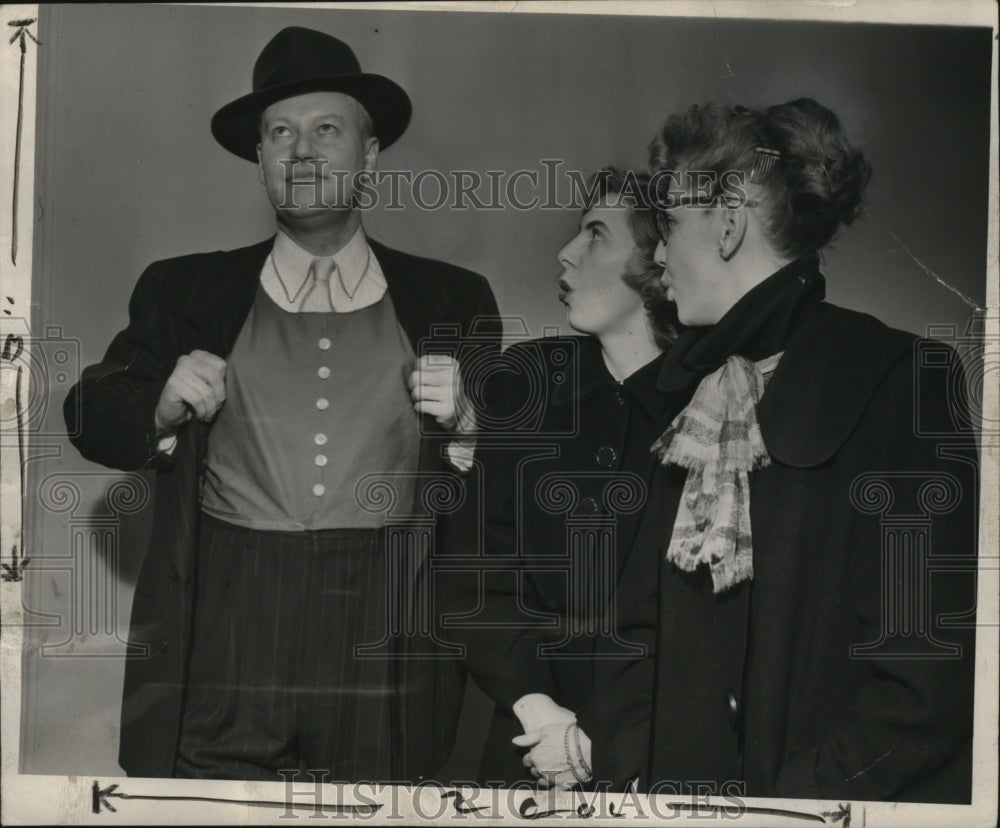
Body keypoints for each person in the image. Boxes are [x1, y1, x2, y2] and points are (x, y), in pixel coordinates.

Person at [63, 26, 499, 781]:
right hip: (227, 623)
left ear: (368, 156)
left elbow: (525, 477)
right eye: (280, 134)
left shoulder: (453, 299)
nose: (302, 151)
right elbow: (87, 411)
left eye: (327, 130)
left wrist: (470, 421)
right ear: (259, 161)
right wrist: (159, 406)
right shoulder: (184, 290)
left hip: (388, 627)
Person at [573, 98, 976, 802]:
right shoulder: (682, 391)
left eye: (668, 224)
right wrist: (629, 792)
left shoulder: (901, 379)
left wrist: (789, 807)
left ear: (726, 222)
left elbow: (926, 683)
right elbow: (633, 634)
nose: (658, 254)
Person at [442, 167, 681, 786]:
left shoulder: (720, 402)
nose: (566, 253)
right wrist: (539, 710)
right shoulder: (527, 381)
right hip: (532, 748)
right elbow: (473, 571)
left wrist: (614, 739)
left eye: (595, 235)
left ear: (659, 260)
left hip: (668, 752)